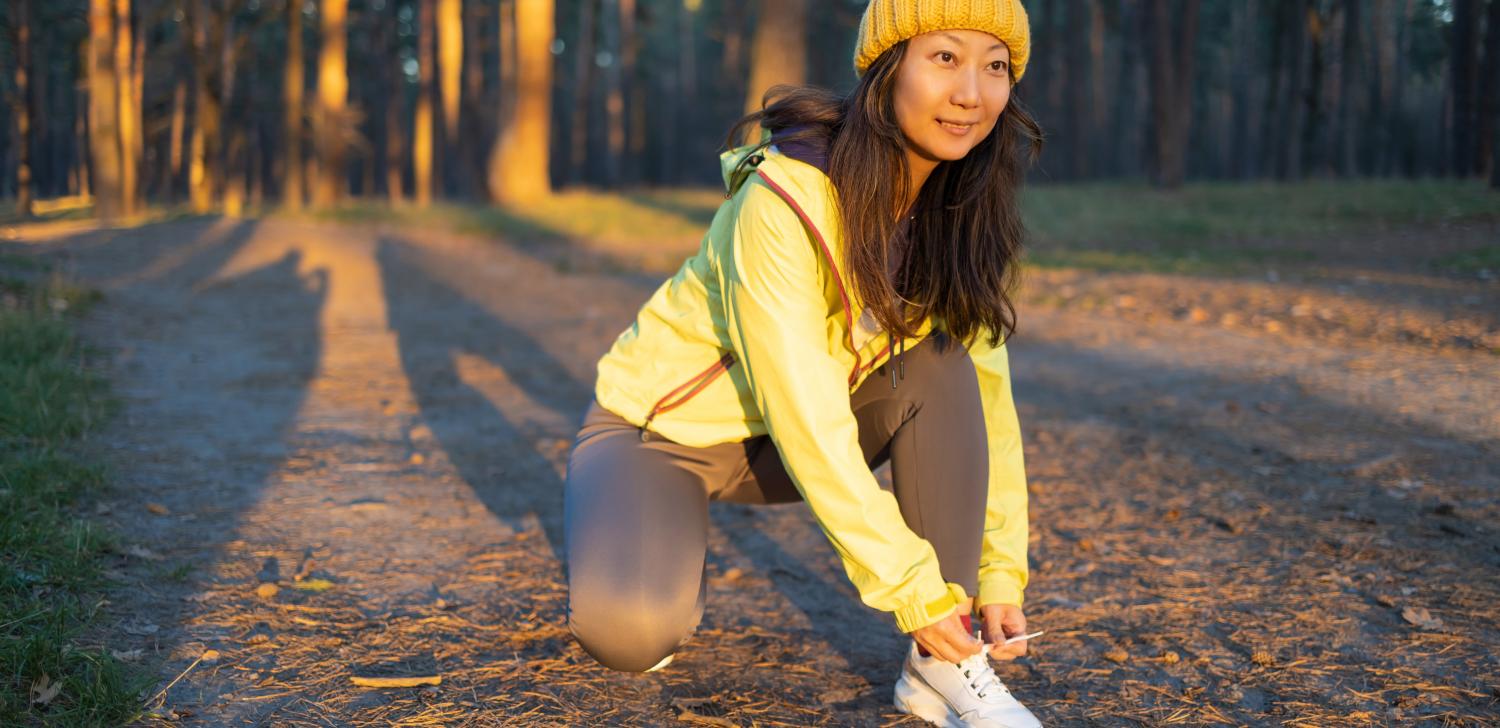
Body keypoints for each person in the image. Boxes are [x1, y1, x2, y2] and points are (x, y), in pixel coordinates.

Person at [563, 1, 1043, 725]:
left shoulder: (962, 214)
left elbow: (991, 404)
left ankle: (941, 665)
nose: (971, 93)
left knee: (944, 365)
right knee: (630, 634)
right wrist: (908, 588)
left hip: (786, 448)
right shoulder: (786, 198)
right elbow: (805, 411)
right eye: (945, 57)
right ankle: (662, 548)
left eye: (995, 66)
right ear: (887, 70)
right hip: (661, 437)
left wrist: (998, 572)